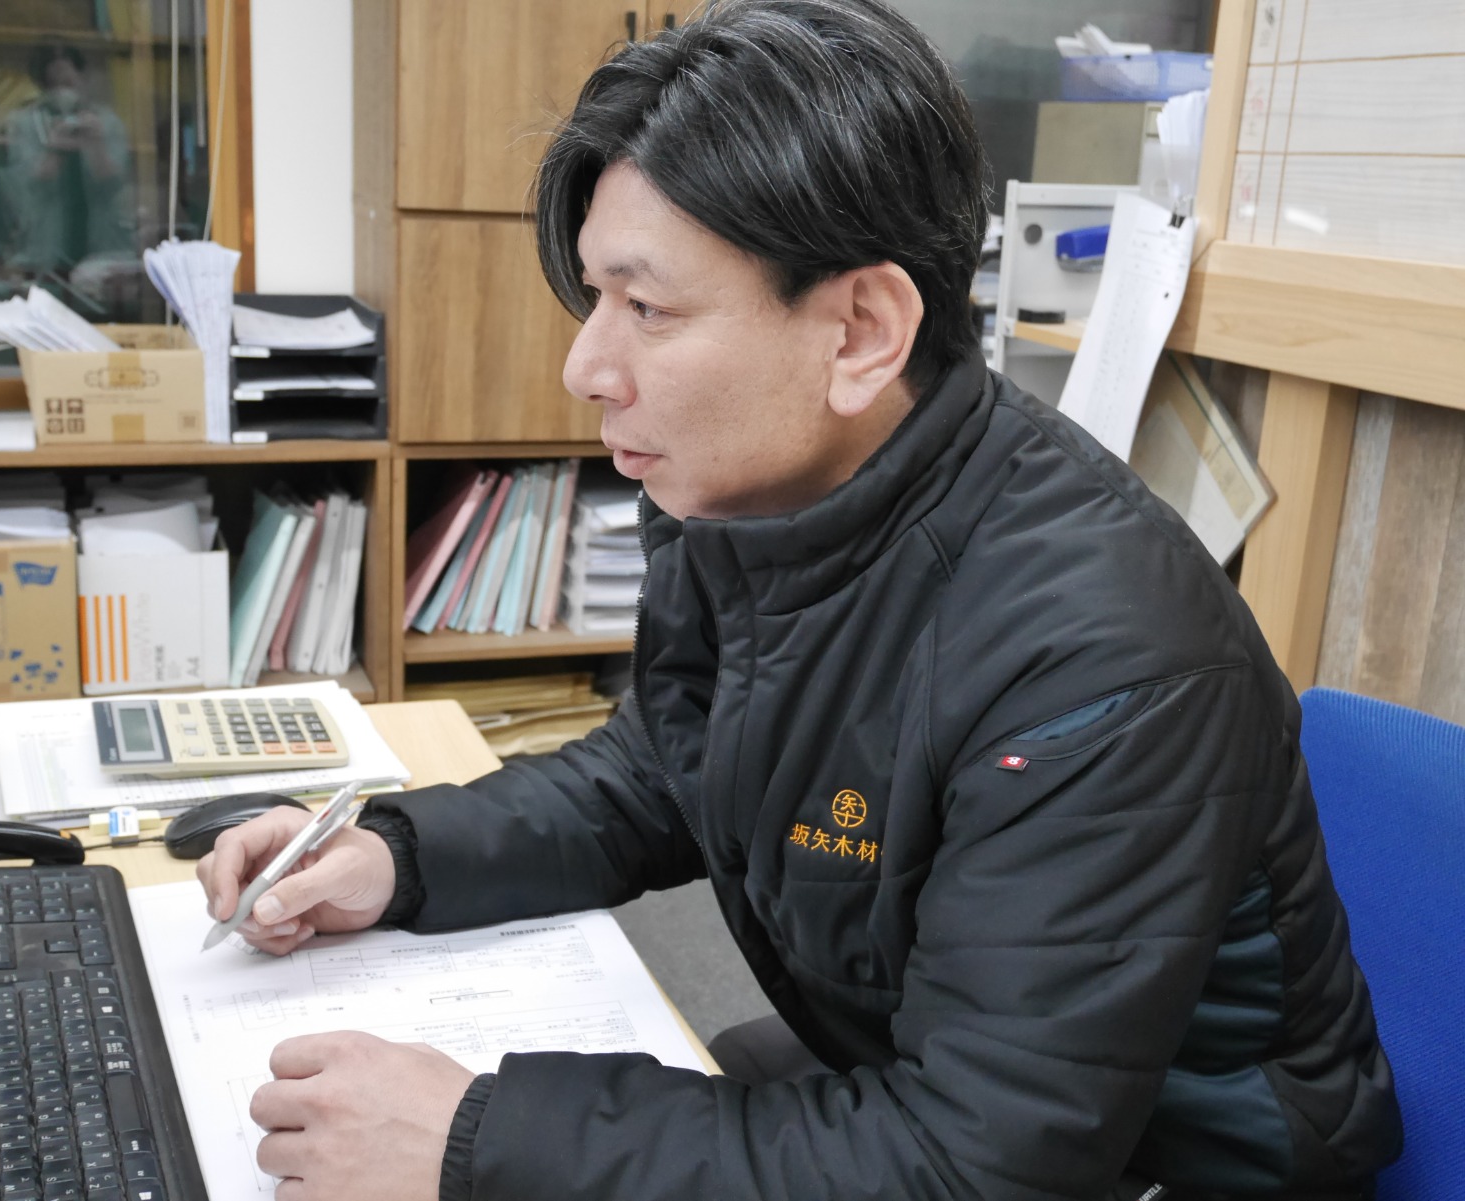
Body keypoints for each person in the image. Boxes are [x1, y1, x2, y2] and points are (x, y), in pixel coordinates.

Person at [198, 2, 1402, 1197]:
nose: (585, 366)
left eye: (647, 308)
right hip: (906, 1065)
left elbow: (977, 1163)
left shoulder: (1103, 659)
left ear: (861, 332)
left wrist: (473, 1139)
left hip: (1165, 1168)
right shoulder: (760, 500)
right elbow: (659, 772)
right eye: (594, 298)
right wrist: (394, 855)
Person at [3, 42, 135, 283]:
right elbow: (29, 186)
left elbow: (113, 184)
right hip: (45, 245)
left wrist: (96, 144)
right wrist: (55, 148)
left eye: (68, 83)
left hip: (100, 245)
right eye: (54, 85)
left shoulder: (107, 122)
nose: (62, 92)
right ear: (41, 86)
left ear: (83, 79)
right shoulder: (24, 123)